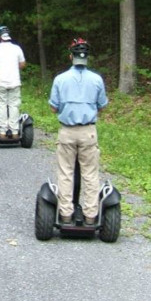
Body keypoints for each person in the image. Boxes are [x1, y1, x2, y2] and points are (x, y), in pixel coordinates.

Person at [48, 38, 108, 225]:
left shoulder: (60, 79)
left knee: (65, 173)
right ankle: (91, 216)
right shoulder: (97, 79)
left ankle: (66, 214)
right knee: (90, 174)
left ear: (70, 57)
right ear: (87, 58)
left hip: (67, 131)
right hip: (88, 132)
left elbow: (53, 107)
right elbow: (102, 105)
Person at [0, 25, 26, 139]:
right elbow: (23, 64)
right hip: (15, 82)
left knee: (1, 105)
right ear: (9, 36)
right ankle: (14, 131)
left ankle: (2, 131)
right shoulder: (17, 48)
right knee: (14, 105)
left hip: (0, 82)